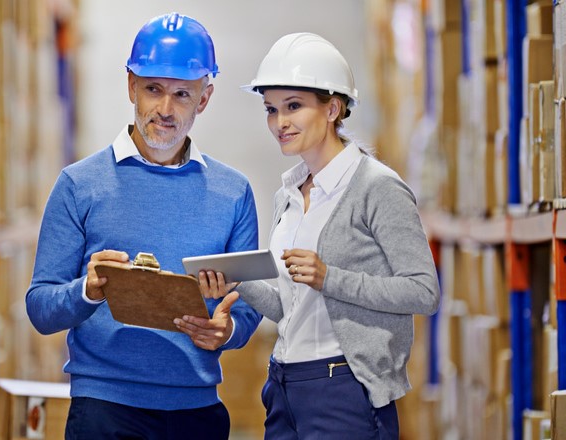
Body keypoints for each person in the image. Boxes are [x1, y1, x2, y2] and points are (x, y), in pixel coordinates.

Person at [179, 33, 441, 439]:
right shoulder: (290, 194)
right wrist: (239, 283)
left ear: (333, 108)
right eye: (271, 109)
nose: (279, 122)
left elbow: (424, 291)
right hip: (284, 386)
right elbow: (291, 307)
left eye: (294, 106)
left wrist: (329, 277)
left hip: (344, 390)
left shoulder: (377, 188)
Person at [25, 12, 262, 440]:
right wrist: (87, 289)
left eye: (182, 95)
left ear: (204, 98)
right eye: (153, 89)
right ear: (131, 85)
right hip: (105, 411)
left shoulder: (233, 193)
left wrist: (226, 331)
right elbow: (40, 307)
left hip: (197, 412)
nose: (165, 109)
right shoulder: (79, 184)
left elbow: (247, 308)